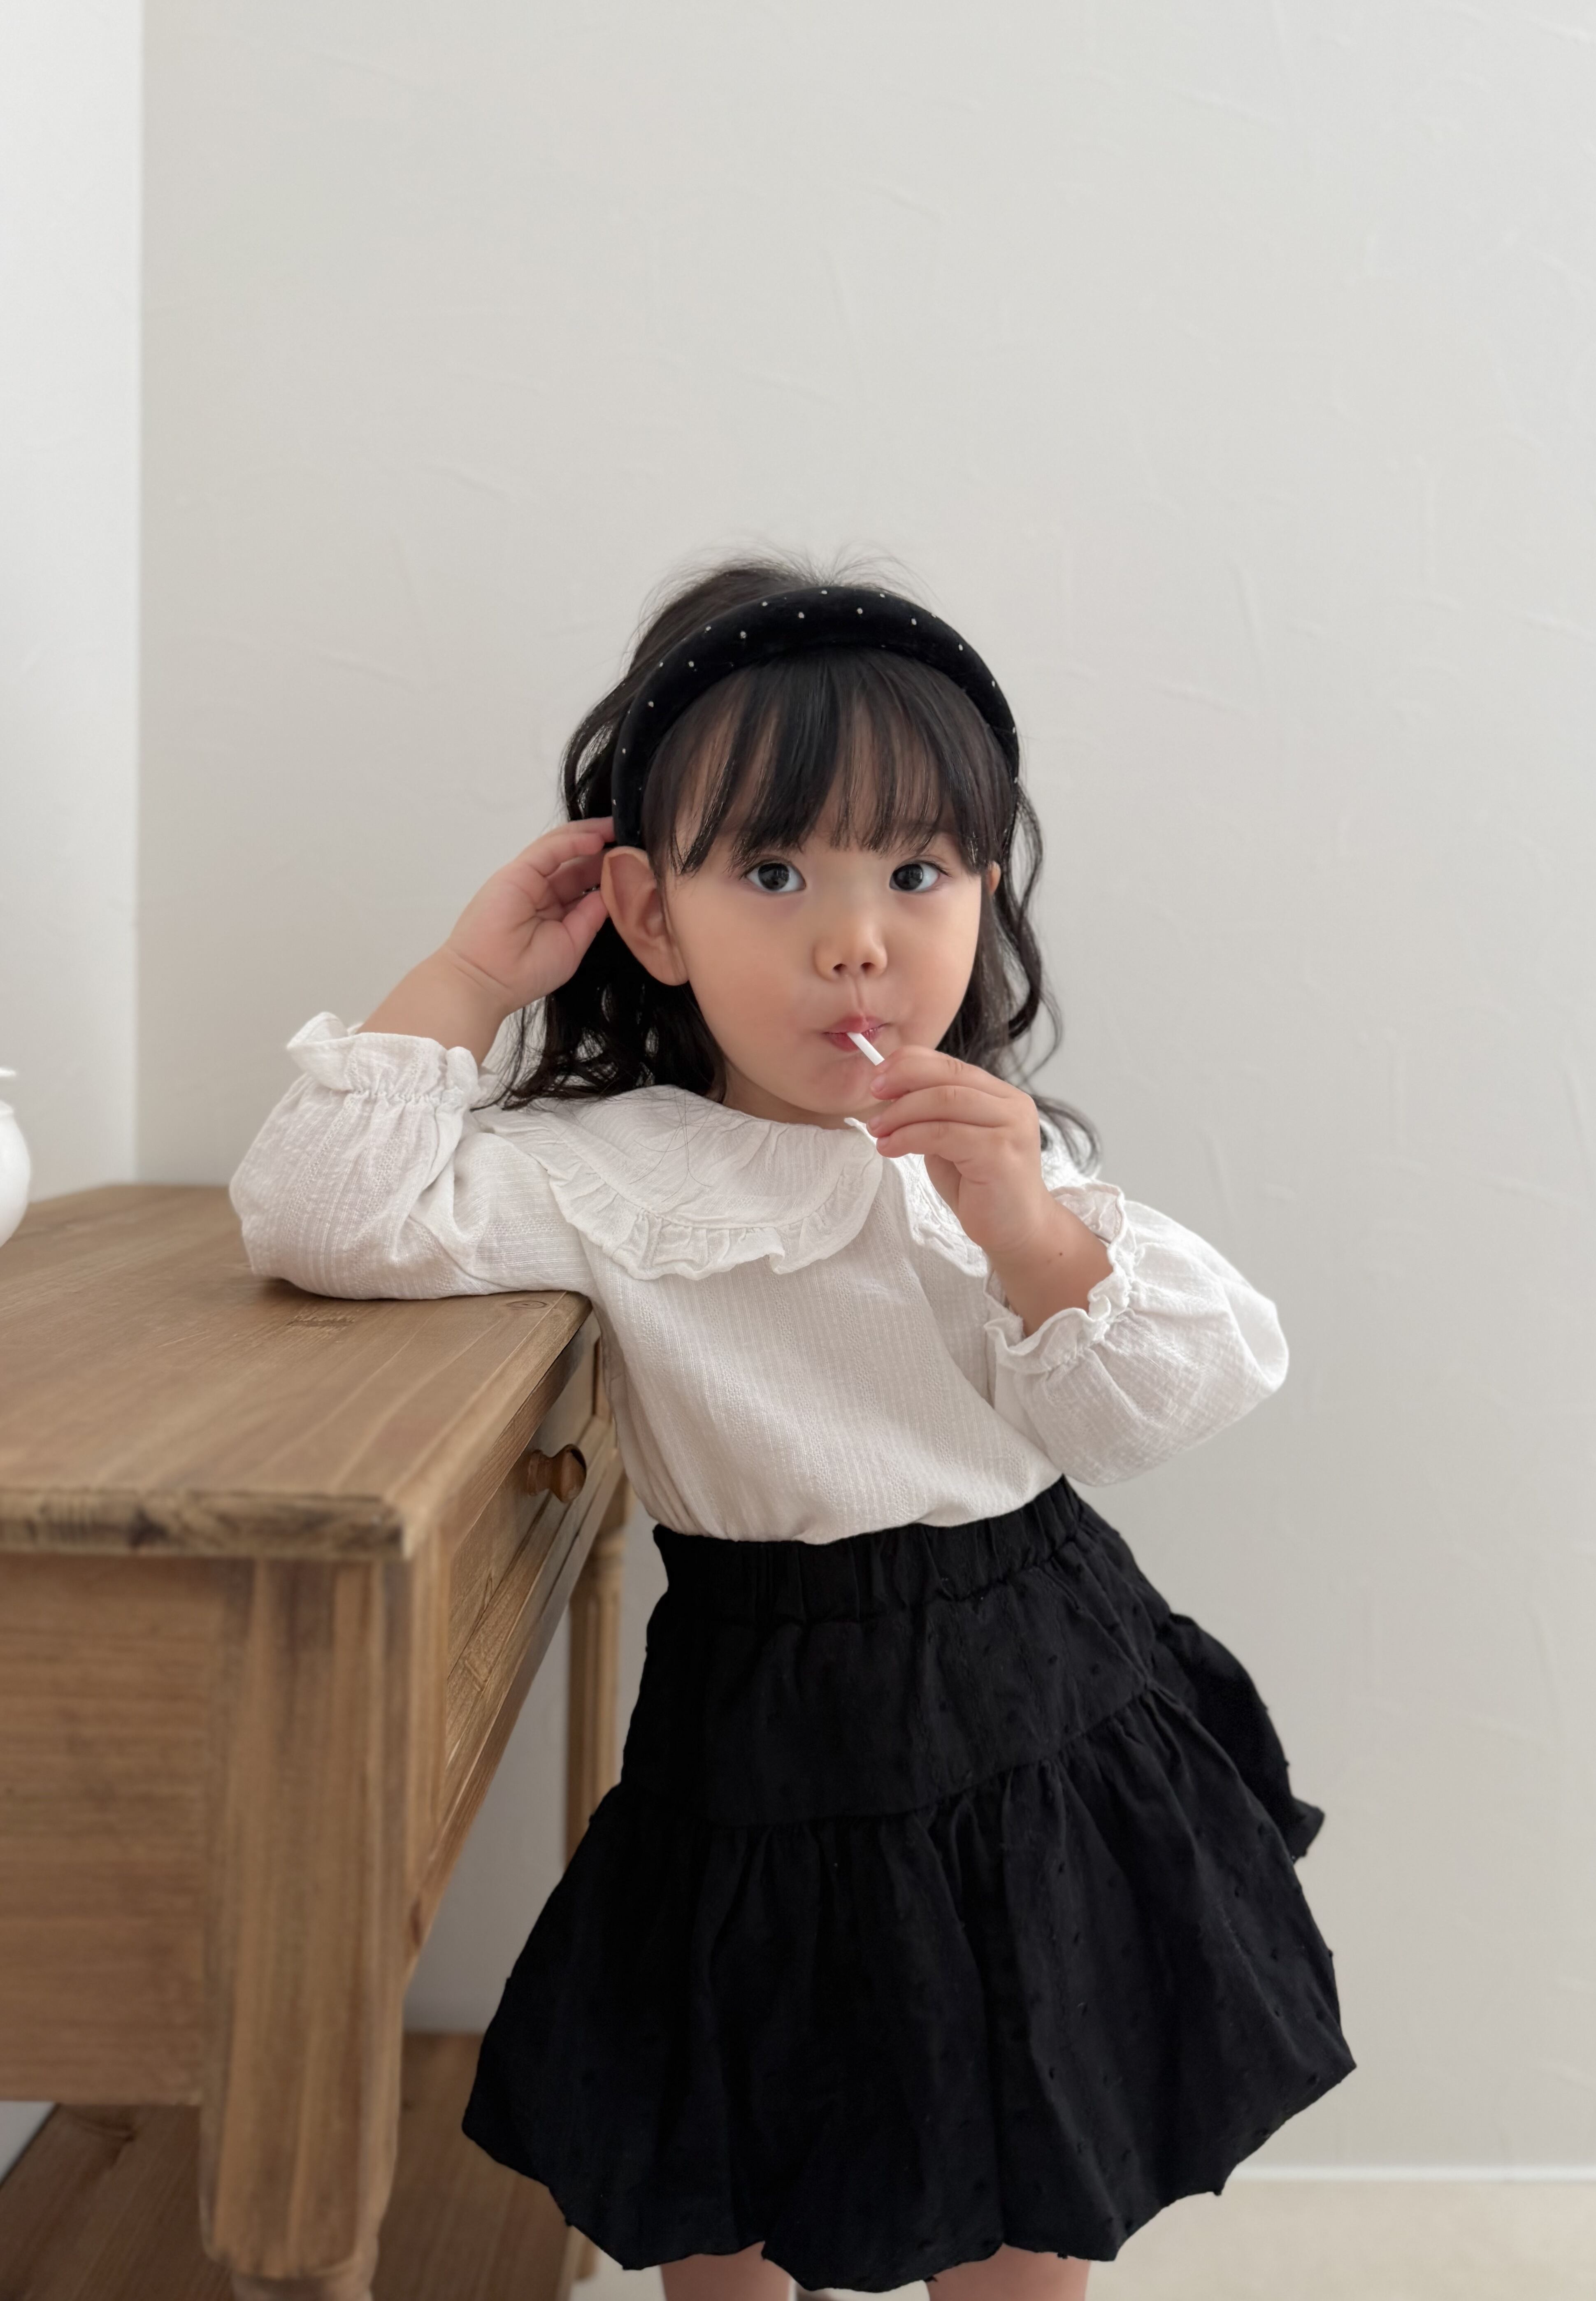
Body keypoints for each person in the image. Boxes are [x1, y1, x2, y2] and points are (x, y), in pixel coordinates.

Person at [229, 554, 1354, 2301]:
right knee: (733, 2154)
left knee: (1030, 2138)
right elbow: (319, 1210)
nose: (855, 937)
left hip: (1038, 1701)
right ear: (650, 915)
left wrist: (1030, 1230)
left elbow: (1167, 1396)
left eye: (915, 872)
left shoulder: (995, 1156)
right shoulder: (610, 1171)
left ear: (983, 891)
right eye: (773, 872)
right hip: (758, 1724)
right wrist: (468, 972)